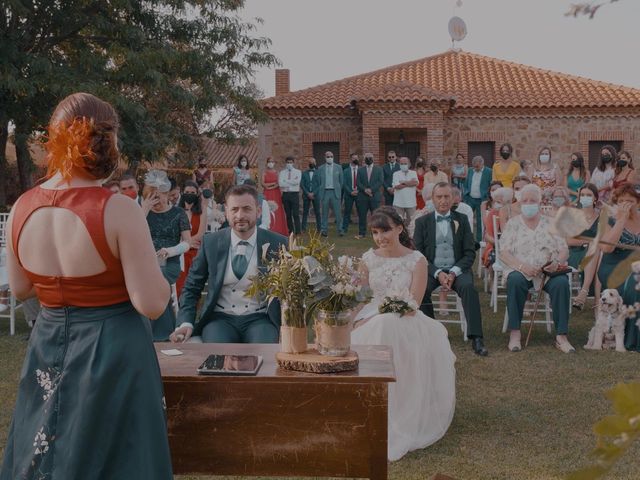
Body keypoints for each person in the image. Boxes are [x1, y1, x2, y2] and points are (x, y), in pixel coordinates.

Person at [0, 92, 172, 479]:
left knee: (48, 456)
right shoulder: (118, 210)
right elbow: (151, 303)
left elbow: (22, 287)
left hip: (47, 343)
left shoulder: (21, 208)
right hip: (113, 351)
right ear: (107, 142)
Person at [351, 206, 455, 461]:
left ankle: (399, 413)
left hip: (405, 316)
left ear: (399, 228)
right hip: (371, 315)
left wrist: (381, 316)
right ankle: (370, 411)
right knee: (375, 327)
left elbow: (414, 303)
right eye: (375, 232)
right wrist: (352, 320)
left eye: (385, 230)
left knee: (387, 325)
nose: (380, 238)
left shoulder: (416, 260)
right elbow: (362, 298)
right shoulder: (368, 259)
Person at [172, 185, 288, 343]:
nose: (240, 215)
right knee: (218, 357)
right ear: (226, 212)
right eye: (234, 209)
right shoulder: (211, 243)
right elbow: (192, 287)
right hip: (220, 320)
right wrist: (185, 322)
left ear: (258, 211)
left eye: (247, 209)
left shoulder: (278, 243)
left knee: (264, 355)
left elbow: (291, 291)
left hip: (261, 319)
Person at [414, 182, 488, 356]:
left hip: (458, 269)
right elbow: (418, 255)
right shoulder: (422, 222)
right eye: (439, 197)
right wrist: (438, 273)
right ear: (433, 199)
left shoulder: (461, 220)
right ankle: (431, 333)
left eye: (447, 196)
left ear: (453, 198)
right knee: (421, 289)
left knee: (469, 288)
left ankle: (476, 337)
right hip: (432, 270)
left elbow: (470, 252)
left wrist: (454, 271)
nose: (443, 200)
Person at [498, 184, 573, 353]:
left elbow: (564, 249)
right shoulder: (513, 224)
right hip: (521, 269)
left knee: (561, 284)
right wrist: (521, 266)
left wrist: (556, 262)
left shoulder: (551, 223)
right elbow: (504, 253)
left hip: (548, 272)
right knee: (515, 281)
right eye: (525, 200)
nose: (529, 203)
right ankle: (515, 333)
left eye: (533, 200)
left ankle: (562, 336)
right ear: (520, 202)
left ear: (540, 202)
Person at [142, 169, 191, 341]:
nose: (157, 200)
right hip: (146, 262)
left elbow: (187, 243)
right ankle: (143, 330)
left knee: (159, 279)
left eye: (159, 195)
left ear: (167, 194)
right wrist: (144, 211)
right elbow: (132, 236)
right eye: (152, 196)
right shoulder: (142, 213)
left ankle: (161, 333)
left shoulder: (178, 214)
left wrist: (169, 251)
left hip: (169, 263)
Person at [598, 183, 640, 294]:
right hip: (614, 268)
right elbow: (606, 248)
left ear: (638, 203)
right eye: (621, 201)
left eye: (630, 201)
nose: (625, 204)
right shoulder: (608, 219)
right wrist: (621, 220)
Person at [567, 183, 600, 310]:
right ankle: (589, 296)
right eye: (583, 195)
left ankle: (584, 293)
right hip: (575, 253)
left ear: (595, 198)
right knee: (594, 247)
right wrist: (587, 242)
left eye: (589, 195)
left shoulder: (601, 216)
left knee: (597, 250)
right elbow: (568, 241)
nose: (585, 197)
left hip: (598, 254)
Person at [176, 180, 208, 297]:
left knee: (193, 286)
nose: (189, 194)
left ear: (197, 194)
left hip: (195, 251)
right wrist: (186, 244)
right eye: (187, 192)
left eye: (193, 192)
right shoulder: (176, 211)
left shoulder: (202, 211)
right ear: (183, 193)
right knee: (180, 286)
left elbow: (200, 234)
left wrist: (185, 242)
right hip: (180, 252)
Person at [464, 155, 493, 242]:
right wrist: (466, 194)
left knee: (480, 221)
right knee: (467, 218)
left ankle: (479, 240)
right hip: (470, 198)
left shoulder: (489, 171)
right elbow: (466, 183)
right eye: (474, 166)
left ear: (482, 164)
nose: (475, 168)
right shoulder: (470, 170)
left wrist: (488, 198)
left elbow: (490, 185)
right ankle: (467, 238)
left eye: (477, 166)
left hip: (482, 200)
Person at [355, 153, 383, 239]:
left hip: (375, 196)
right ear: (364, 159)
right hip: (362, 196)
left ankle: (375, 233)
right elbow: (358, 182)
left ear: (373, 159)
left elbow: (380, 181)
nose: (368, 159)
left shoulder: (379, 169)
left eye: (370, 158)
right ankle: (362, 233)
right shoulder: (360, 170)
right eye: (366, 158)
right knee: (362, 215)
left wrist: (371, 190)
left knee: (375, 216)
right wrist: (365, 190)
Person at [482, 186, 511, 268]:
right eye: (495, 202)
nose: (496, 204)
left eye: (499, 202)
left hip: (513, 247)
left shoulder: (514, 213)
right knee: (493, 258)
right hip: (495, 245)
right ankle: (492, 279)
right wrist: (498, 243)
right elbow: (487, 236)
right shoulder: (492, 213)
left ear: (508, 202)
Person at [318, 151, 344, 237]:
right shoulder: (320, 168)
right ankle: (324, 230)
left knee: (338, 213)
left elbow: (341, 181)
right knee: (324, 213)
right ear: (325, 157)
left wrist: (338, 189)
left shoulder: (338, 167)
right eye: (328, 156)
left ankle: (340, 230)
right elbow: (319, 181)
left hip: (335, 192)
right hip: (325, 192)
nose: (330, 158)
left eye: (331, 156)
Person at [261, 156, 289, 236]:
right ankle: (268, 228)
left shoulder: (277, 172)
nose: (271, 163)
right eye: (269, 161)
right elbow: (263, 184)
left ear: (274, 163)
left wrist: (270, 186)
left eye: (272, 161)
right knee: (267, 209)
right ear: (267, 163)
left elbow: (278, 183)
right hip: (267, 193)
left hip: (276, 193)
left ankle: (279, 229)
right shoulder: (264, 172)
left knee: (278, 211)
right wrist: (272, 184)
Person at [278, 156, 302, 235]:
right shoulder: (282, 172)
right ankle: (290, 231)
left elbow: (297, 182)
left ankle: (298, 231)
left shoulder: (298, 172)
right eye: (288, 162)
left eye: (291, 162)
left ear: (293, 163)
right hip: (285, 195)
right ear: (286, 163)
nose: (289, 164)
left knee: (295, 214)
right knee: (288, 214)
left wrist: (286, 181)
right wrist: (291, 181)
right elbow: (281, 184)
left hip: (294, 194)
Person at [392, 156, 419, 224]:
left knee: (412, 223)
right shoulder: (396, 174)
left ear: (409, 164)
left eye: (405, 163)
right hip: (398, 203)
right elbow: (397, 186)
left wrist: (403, 182)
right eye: (402, 164)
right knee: (398, 223)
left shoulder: (413, 173)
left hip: (411, 203)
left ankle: (410, 235)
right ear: (399, 164)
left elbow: (415, 183)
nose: (403, 165)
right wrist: (410, 183)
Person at [300, 157, 321, 233]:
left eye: (313, 162)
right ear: (308, 163)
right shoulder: (304, 173)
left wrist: (313, 193)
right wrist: (308, 193)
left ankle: (319, 228)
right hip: (306, 195)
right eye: (310, 162)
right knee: (305, 212)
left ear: (315, 163)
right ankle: (303, 228)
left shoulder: (319, 173)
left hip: (316, 195)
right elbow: (302, 184)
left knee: (317, 212)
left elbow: (320, 185)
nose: (312, 163)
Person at [342, 153, 360, 234]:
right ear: (350, 159)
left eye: (356, 158)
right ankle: (344, 229)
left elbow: (363, 182)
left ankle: (361, 230)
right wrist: (350, 192)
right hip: (349, 194)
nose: (355, 159)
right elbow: (344, 183)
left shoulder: (361, 170)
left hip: (359, 194)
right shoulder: (346, 171)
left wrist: (358, 191)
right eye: (353, 158)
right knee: (347, 212)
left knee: (361, 212)